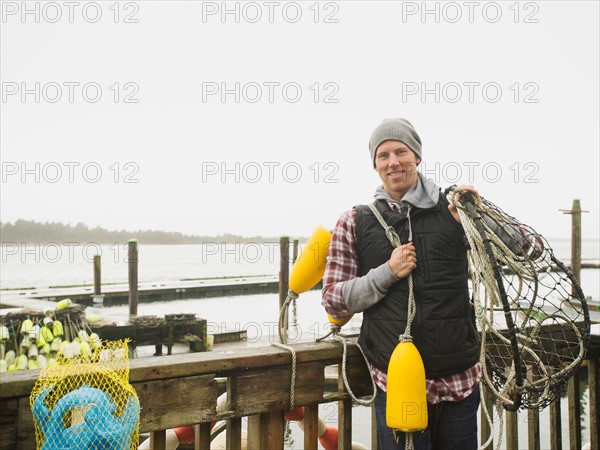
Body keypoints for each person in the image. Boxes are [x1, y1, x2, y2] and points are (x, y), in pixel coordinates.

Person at [321, 118, 541, 450]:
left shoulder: (456, 209)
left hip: (460, 383)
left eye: (401, 151)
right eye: (383, 155)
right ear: (375, 165)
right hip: (397, 385)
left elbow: (531, 249)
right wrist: (387, 272)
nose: (393, 162)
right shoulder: (354, 221)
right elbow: (334, 301)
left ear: (417, 157)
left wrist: (482, 216)